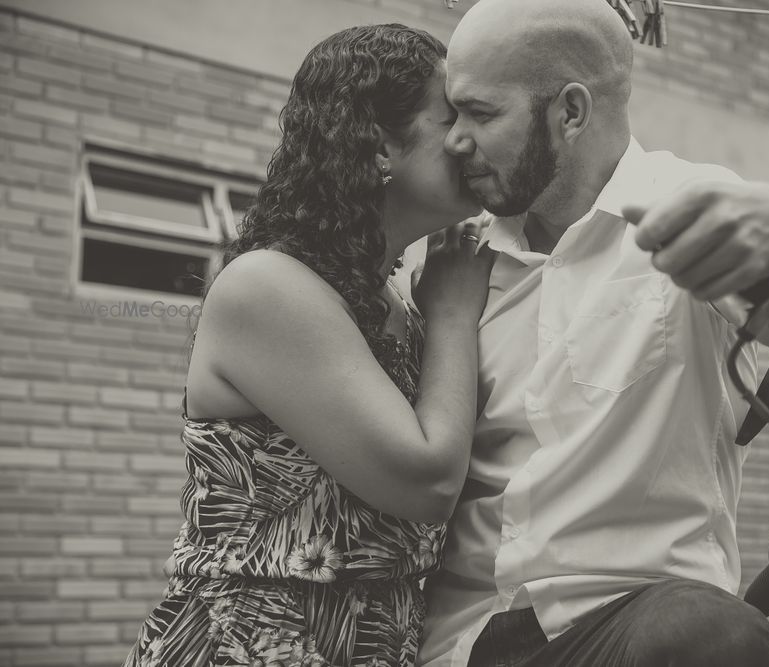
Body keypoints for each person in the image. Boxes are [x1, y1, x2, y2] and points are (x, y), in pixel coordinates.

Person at [417, 0, 769, 665]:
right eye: (453, 111)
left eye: (482, 113)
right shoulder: (451, 260)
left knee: (718, 636)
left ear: (571, 113)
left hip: (634, 625)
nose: (454, 140)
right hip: (458, 640)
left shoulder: (685, 205)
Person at [123, 24, 493, 667]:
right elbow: (427, 481)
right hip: (255, 644)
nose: (468, 139)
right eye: (450, 117)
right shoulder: (266, 287)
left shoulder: (395, 304)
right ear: (381, 147)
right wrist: (457, 316)